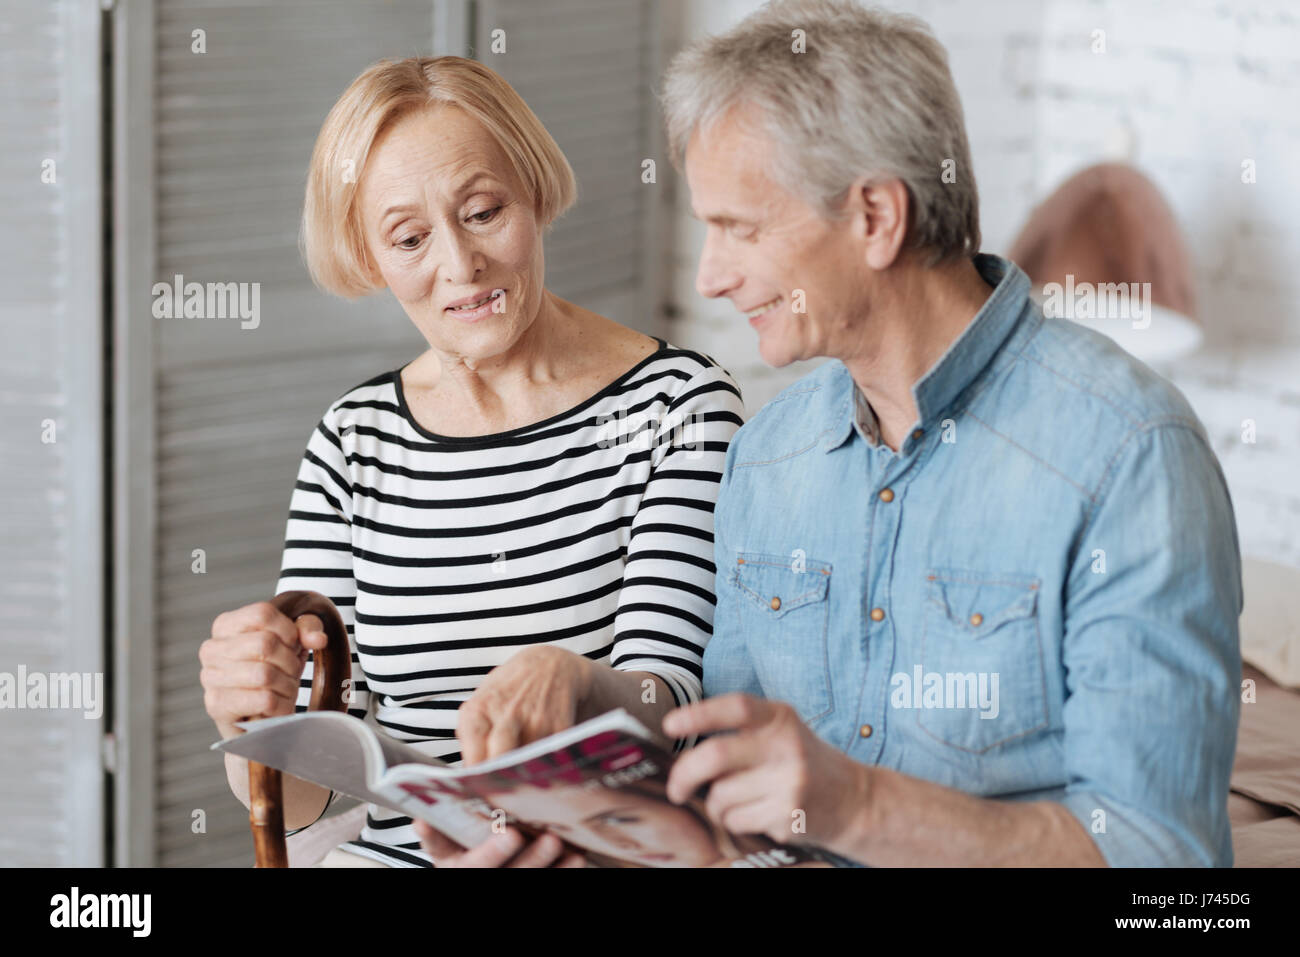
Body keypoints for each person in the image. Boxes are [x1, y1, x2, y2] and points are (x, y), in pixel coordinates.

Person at [656, 0, 1242, 866]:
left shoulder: (1131, 454)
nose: (710, 276)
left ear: (876, 219)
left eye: (739, 228)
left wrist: (855, 805)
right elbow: (731, 796)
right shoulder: (768, 453)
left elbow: (1169, 869)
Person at [199, 55, 744, 867]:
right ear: (369, 255)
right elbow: (306, 801)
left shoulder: (678, 405)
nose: (460, 265)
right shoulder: (355, 440)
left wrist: (579, 682)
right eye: (410, 238)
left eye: (483, 211)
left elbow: (668, 708)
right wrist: (249, 716)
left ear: (532, 191)